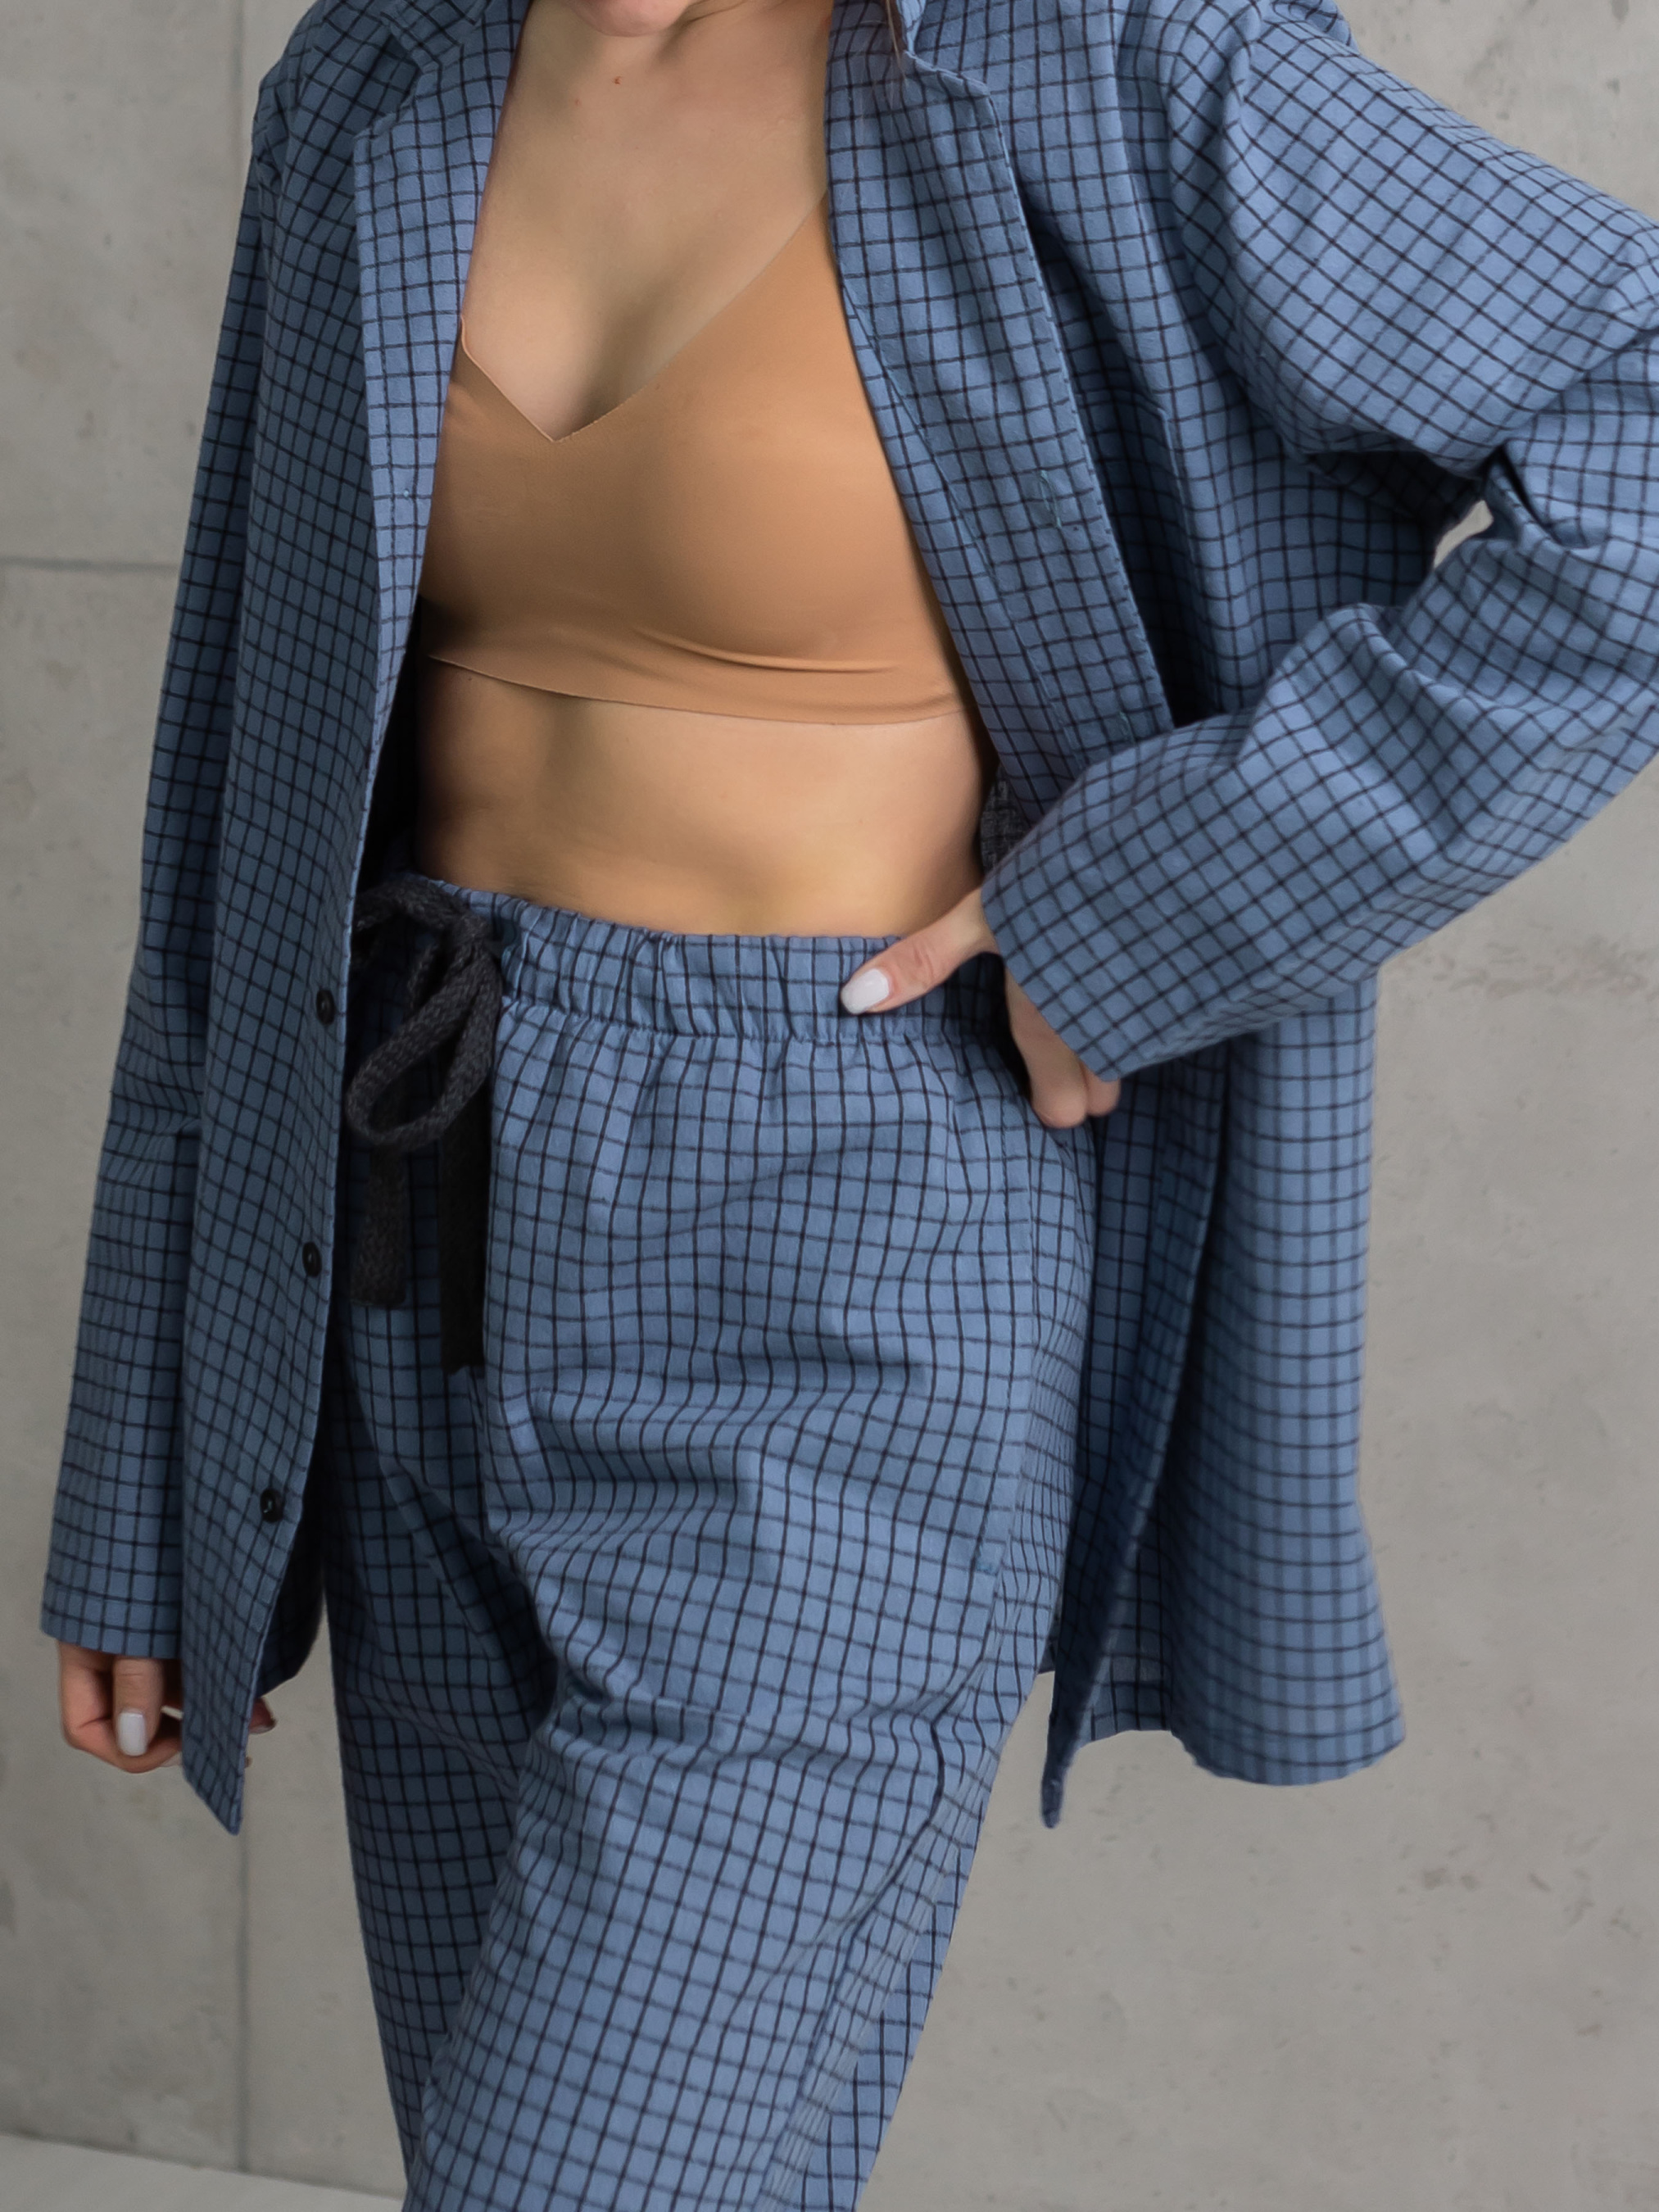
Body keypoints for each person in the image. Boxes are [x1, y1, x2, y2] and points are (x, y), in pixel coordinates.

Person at [40, 0, 1659, 2205]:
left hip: (856, 1245)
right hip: (408, 1218)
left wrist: (1156, 902)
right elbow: (238, 804)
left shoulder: (1110, 51)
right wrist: (152, 1467)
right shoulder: (373, 79)